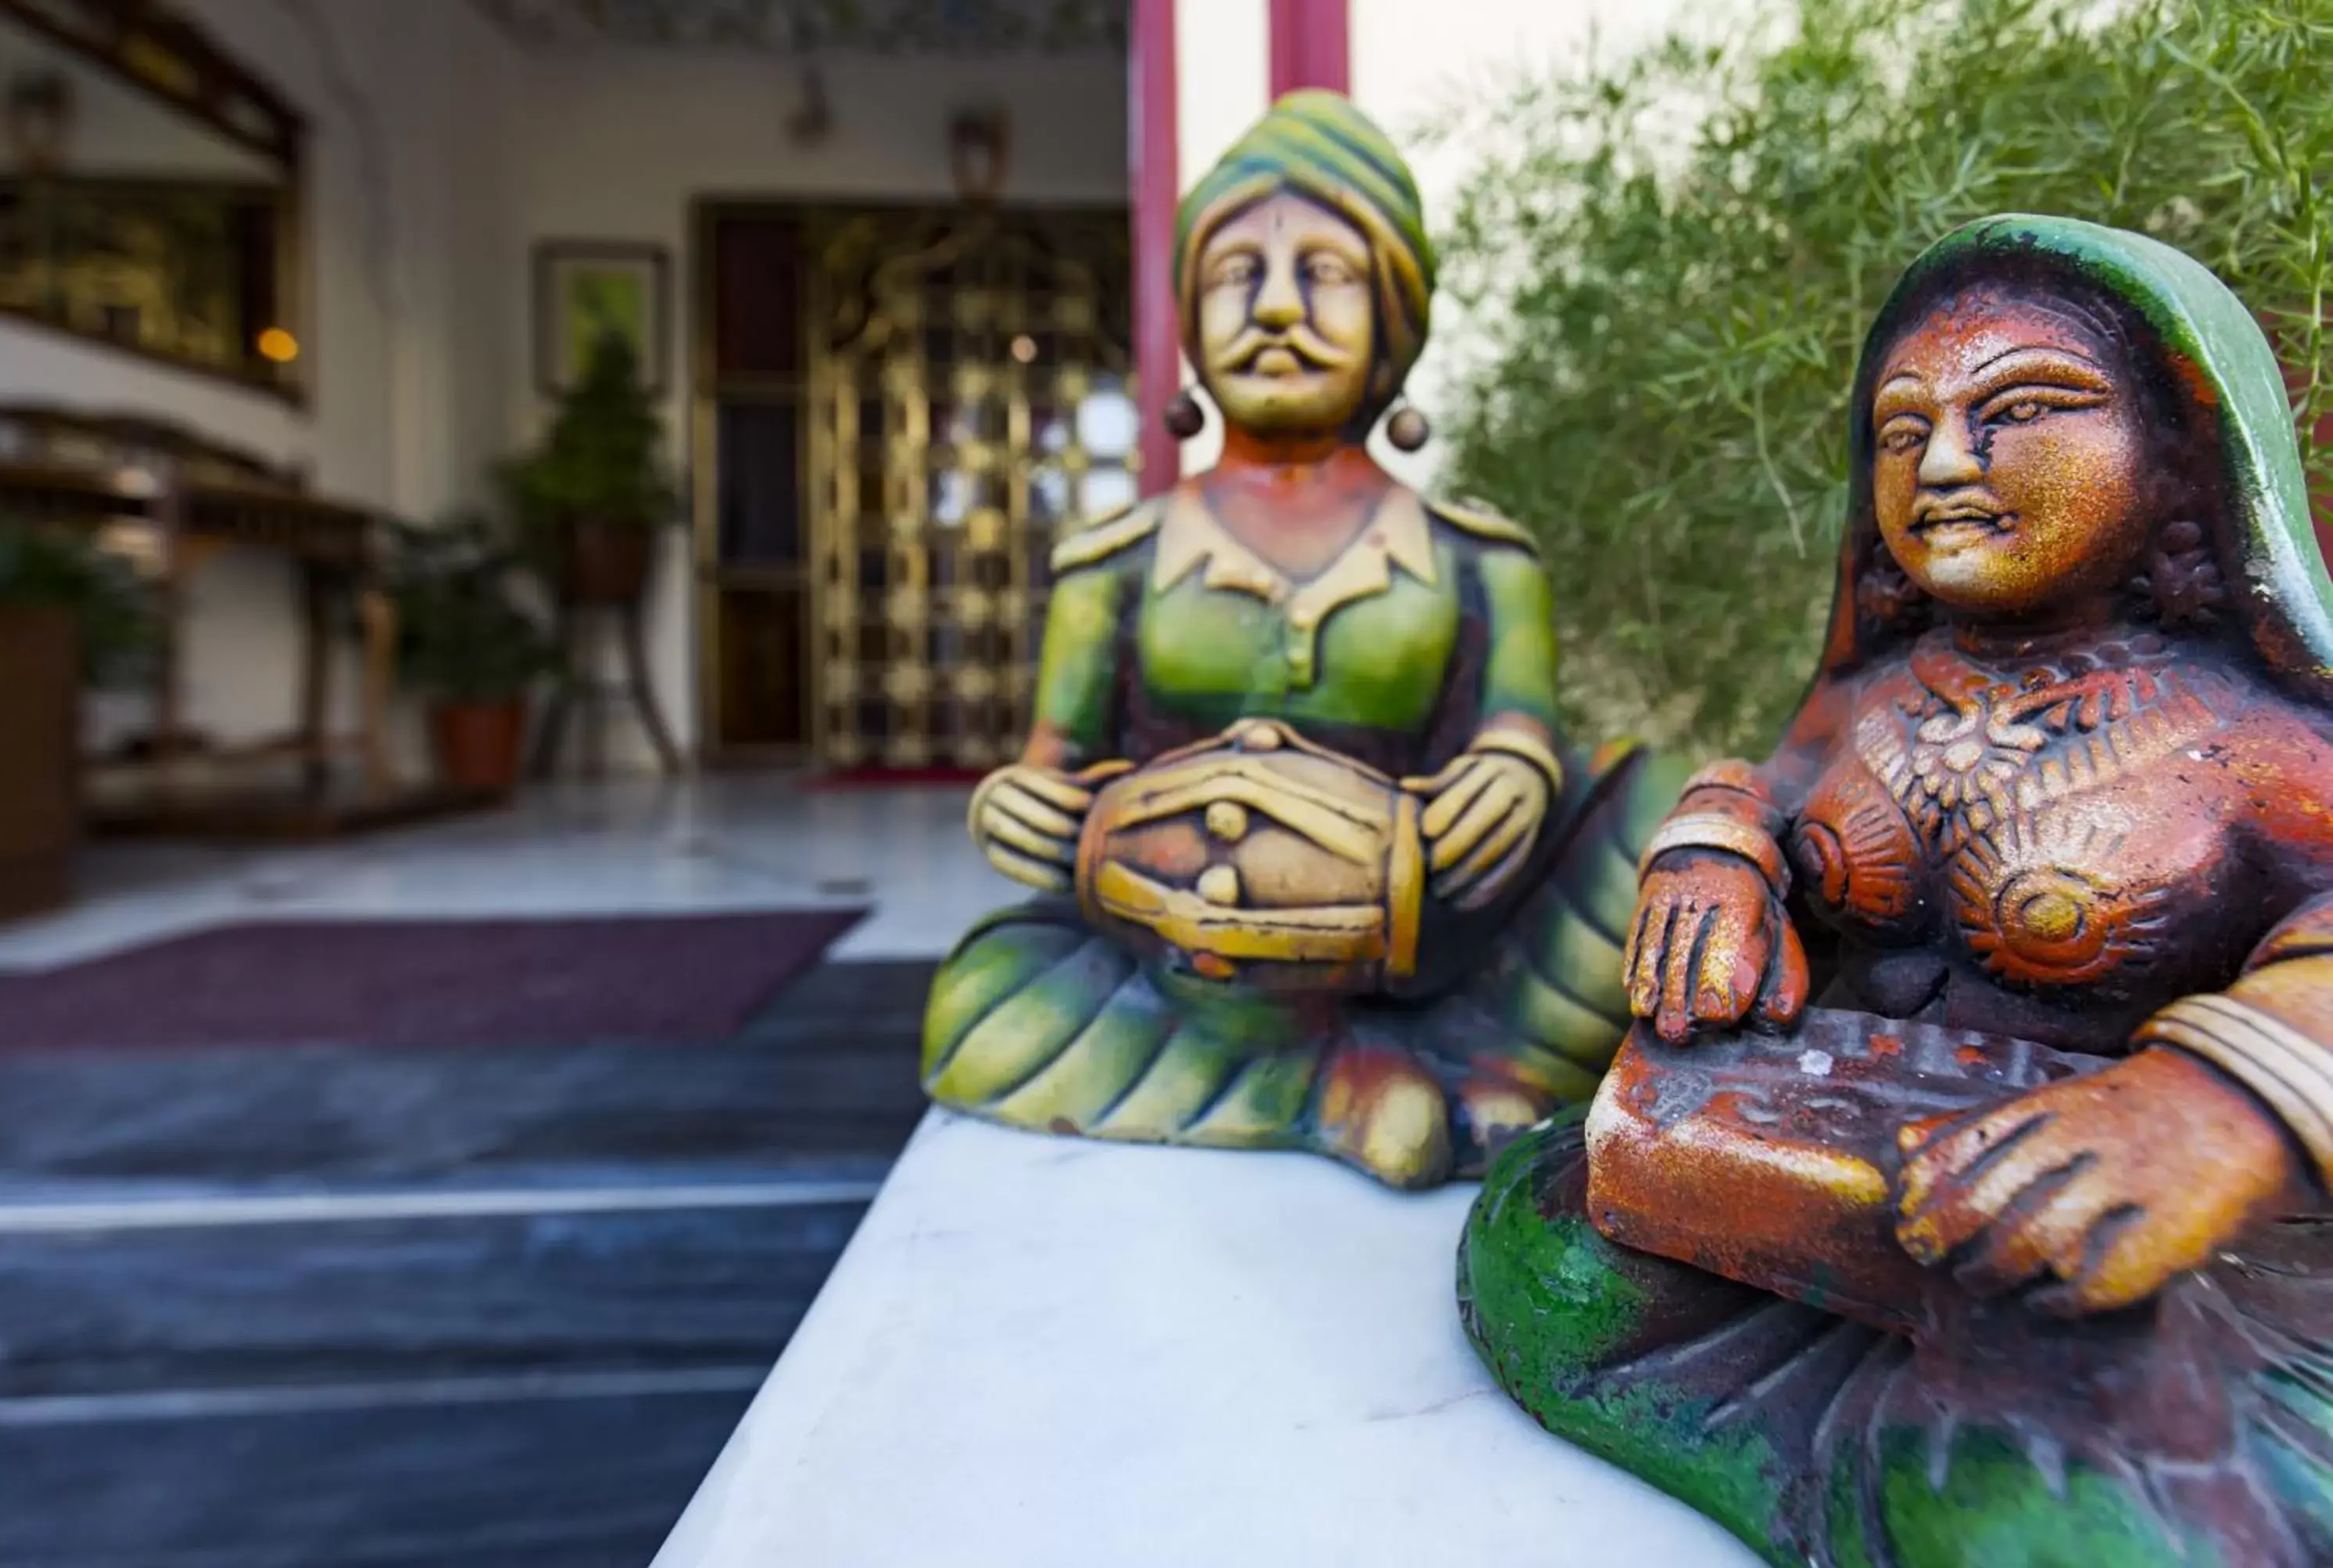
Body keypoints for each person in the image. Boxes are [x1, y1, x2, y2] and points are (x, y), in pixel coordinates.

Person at [1460, 214, 2333, 1564]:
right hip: (1819, 1192)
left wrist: (2223, 1105)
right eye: (1899, 427)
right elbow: (1774, 779)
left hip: (2137, 1263)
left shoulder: (2256, 741)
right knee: (1562, 1261)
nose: (1944, 463)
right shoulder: (1877, 696)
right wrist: (1722, 847)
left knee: (2042, 1503)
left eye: (2025, 408)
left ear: (2182, 456)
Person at [921, 91, 1682, 1189]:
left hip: (1420, 947)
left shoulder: (1480, 558)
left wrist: (1513, 771)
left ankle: (1466, 1054)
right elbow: (1057, 761)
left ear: (1395, 316)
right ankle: (1351, 1088)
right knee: (978, 1006)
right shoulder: (1116, 559)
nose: (1276, 308)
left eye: (1324, 273)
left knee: (1664, 813)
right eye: (1238, 276)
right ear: (1188, 315)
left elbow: (1522, 726)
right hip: (1176, 959)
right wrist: (1023, 805)